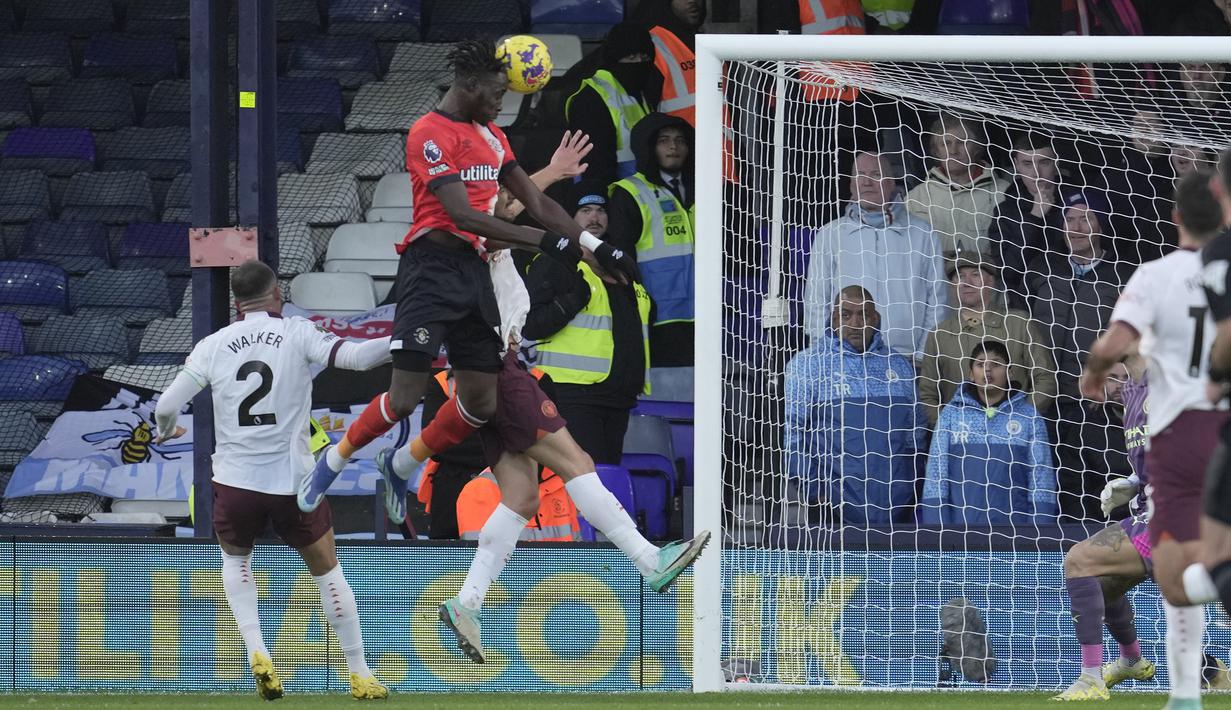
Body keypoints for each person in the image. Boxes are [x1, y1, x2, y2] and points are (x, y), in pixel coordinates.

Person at [298, 39, 639, 512]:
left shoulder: (493, 137)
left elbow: (538, 204)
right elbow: (462, 216)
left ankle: (400, 465)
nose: (504, 103)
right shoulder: (428, 133)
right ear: (470, 85)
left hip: (476, 274)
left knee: (480, 405)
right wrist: (544, 242)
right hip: (430, 272)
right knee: (403, 399)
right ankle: (332, 461)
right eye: (498, 93)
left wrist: (594, 247)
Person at [151, 260, 389, 700]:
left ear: (236, 302)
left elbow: (166, 404)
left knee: (237, 563)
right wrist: (405, 343)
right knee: (327, 571)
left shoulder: (213, 344)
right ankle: (360, 674)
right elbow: (355, 357)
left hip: (236, 482)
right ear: (276, 292)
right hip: (292, 483)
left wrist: (165, 428)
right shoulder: (297, 333)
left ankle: (257, 651)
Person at [1079, 169, 1229, 710]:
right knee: (1213, 553)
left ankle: (1186, 696)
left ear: (1177, 219)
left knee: (1178, 566)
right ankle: (1189, 692)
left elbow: (1117, 340)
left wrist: (1095, 371)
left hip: (1181, 434)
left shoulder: (1156, 274)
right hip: (1223, 427)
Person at [523, 180, 652, 464]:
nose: (594, 218)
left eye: (600, 211)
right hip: (574, 394)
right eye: (585, 211)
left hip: (619, 394)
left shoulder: (621, 265)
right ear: (568, 218)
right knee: (587, 480)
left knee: (608, 480)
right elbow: (530, 325)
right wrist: (569, 302)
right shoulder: (555, 261)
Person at [1026, 190, 1134, 520]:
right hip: (1045, 401)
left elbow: (1132, 342)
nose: (1076, 226)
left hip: (1096, 406)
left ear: (1101, 225)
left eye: (1086, 218)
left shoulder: (1122, 277)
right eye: (1069, 219)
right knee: (1053, 487)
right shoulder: (1045, 271)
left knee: (1098, 490)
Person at [1053, 355, 1157, 700]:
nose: (1110, 386)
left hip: (1177, 521)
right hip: (1149, 516)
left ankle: (1090, 679)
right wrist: (1132, 481)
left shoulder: (1171, 387)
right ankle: (1130, 660)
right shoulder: (1134, 399)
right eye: (1106, 379)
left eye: (1115, 376)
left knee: (1078, 560)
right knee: (1101, 583)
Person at [783, 285, 924, 525]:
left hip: (896, 506)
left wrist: (910, 487)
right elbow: (794, 433)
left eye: (863, 314)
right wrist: (813, 490)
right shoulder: (808, 365)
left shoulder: (899, 366)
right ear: (834, 319)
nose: (855, 323)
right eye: (846, 315)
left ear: (875, 318)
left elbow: (915, 434)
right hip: (831, 507)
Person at [802, 149, 946, 359]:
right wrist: (825, 354)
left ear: (891, 183)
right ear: (851, 185)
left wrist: (923, 356)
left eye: (876, 175)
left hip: (908, 360)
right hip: (845, 360)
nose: (867, 182)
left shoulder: (922, 233)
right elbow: (816, 301)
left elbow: (938, 301)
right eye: (860, 176)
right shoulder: (830, 234)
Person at [920, 340, 1056, 527]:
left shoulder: (1029, 417)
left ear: (1009, 372)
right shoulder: (951, 415)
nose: (988, 370)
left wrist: (1038, 530)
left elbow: (1042, 479)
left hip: (1015, 534)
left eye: (996, 364)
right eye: (980, 364)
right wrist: (938, 528)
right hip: (961, 532)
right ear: (971, 374)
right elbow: (936, 476)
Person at [918, 249, 1056, 426]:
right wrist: (948, 427)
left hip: (1013, 438)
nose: (966, 283)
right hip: (959, 441)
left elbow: (1045, 379)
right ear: (952, 285)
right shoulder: (939, 335)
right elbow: (927, 393)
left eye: (975, 275)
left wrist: (1020, 420)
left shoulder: (1019, 323)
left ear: (990, 281)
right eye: (960, 276)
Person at [607, 112, 696, 367]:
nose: (673, 147)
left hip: (705, 311)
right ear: (649, 147)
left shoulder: (706, 186)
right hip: (658, 313)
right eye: (664, 140)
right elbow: (621, 255)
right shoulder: (630, 193)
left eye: (681, 140)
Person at [905, 113, 1011, 256]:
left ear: (978, 148)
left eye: (962, 142)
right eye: (946, 143)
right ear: (936, 151)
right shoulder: (915, 198)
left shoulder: (1004, 193)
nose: (953, 150)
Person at [565, 23, 656, 185]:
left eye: (645, 57)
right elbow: (592, 164)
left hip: (642, 197)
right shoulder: (591, 99)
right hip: (608, 198)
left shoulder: (641, 92)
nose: (639, 63)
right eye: (631, 57)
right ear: (614, 59)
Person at [985, 132, 1066, 310]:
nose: (1036, 173)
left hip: (1075, 303)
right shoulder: (1005, 211)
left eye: (1044, 162)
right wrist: (1034, 217)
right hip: (1025, 311)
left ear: (1056, 163)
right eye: (1027, 164)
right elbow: (1006, 272)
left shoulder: (1078, 202)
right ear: (1016, 166)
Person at [629, 0, 705, 125]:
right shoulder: (651, 44)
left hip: (722, 142)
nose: (693, 1)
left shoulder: (707, 42)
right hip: (677, 142)